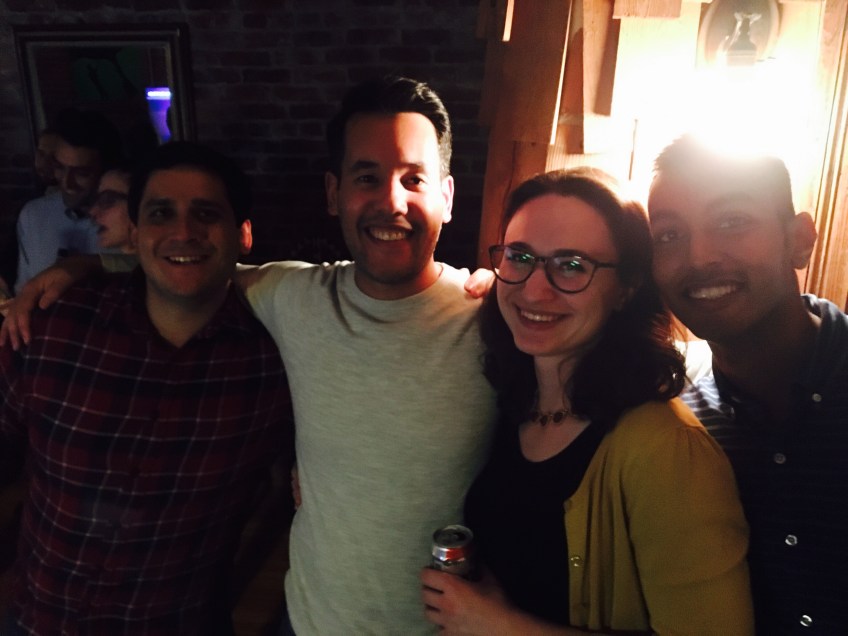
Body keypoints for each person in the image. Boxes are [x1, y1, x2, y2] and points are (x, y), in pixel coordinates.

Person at [1, 77, 498, 634]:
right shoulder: (288, 298)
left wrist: (515, 288)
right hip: (294, 621)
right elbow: (188, 264)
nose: (391, 201)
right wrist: (82, 265)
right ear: (333, 193)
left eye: (413, 179)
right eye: (367, 177)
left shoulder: (495, 320)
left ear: (447, 197)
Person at [420, 168, 753, 634]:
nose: (535, 289)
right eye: (520, 257)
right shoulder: (513, 402)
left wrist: (500, 625)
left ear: (627, 289)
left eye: (572, 265)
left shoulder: (668, 452)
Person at [0, 141, 292, 634]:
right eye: (161, 213)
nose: (183, 231)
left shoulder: (277, 360)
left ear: (243, 235)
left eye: (206, 213)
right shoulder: (54, 326)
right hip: (38, 618)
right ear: (134, 235)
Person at [648, 134, 848, 634]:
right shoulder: (678, 425)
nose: (698, 257)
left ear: (799, 240)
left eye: (731, 221)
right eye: (669, 235)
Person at [15, 108, 121, 292]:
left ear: (106, 171)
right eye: (60, 168)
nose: (67, 183)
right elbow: (23, 290)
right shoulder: (33, 216)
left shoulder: (128, 222)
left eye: (82, 173)